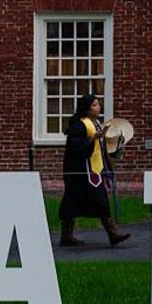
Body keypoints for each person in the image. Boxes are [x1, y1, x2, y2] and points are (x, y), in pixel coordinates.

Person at [59, 93, 131, 247]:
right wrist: (92, 139)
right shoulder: (79, 124)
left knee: (99, 200)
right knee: (73, 203)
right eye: (95, 105)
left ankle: (112, 234)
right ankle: (67, 236)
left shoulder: (97, 123)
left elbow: (101, 147)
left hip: (95, 170)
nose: (98, 107)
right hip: (81, 173)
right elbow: (75, 147)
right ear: (86, 108)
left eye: (98, 104)